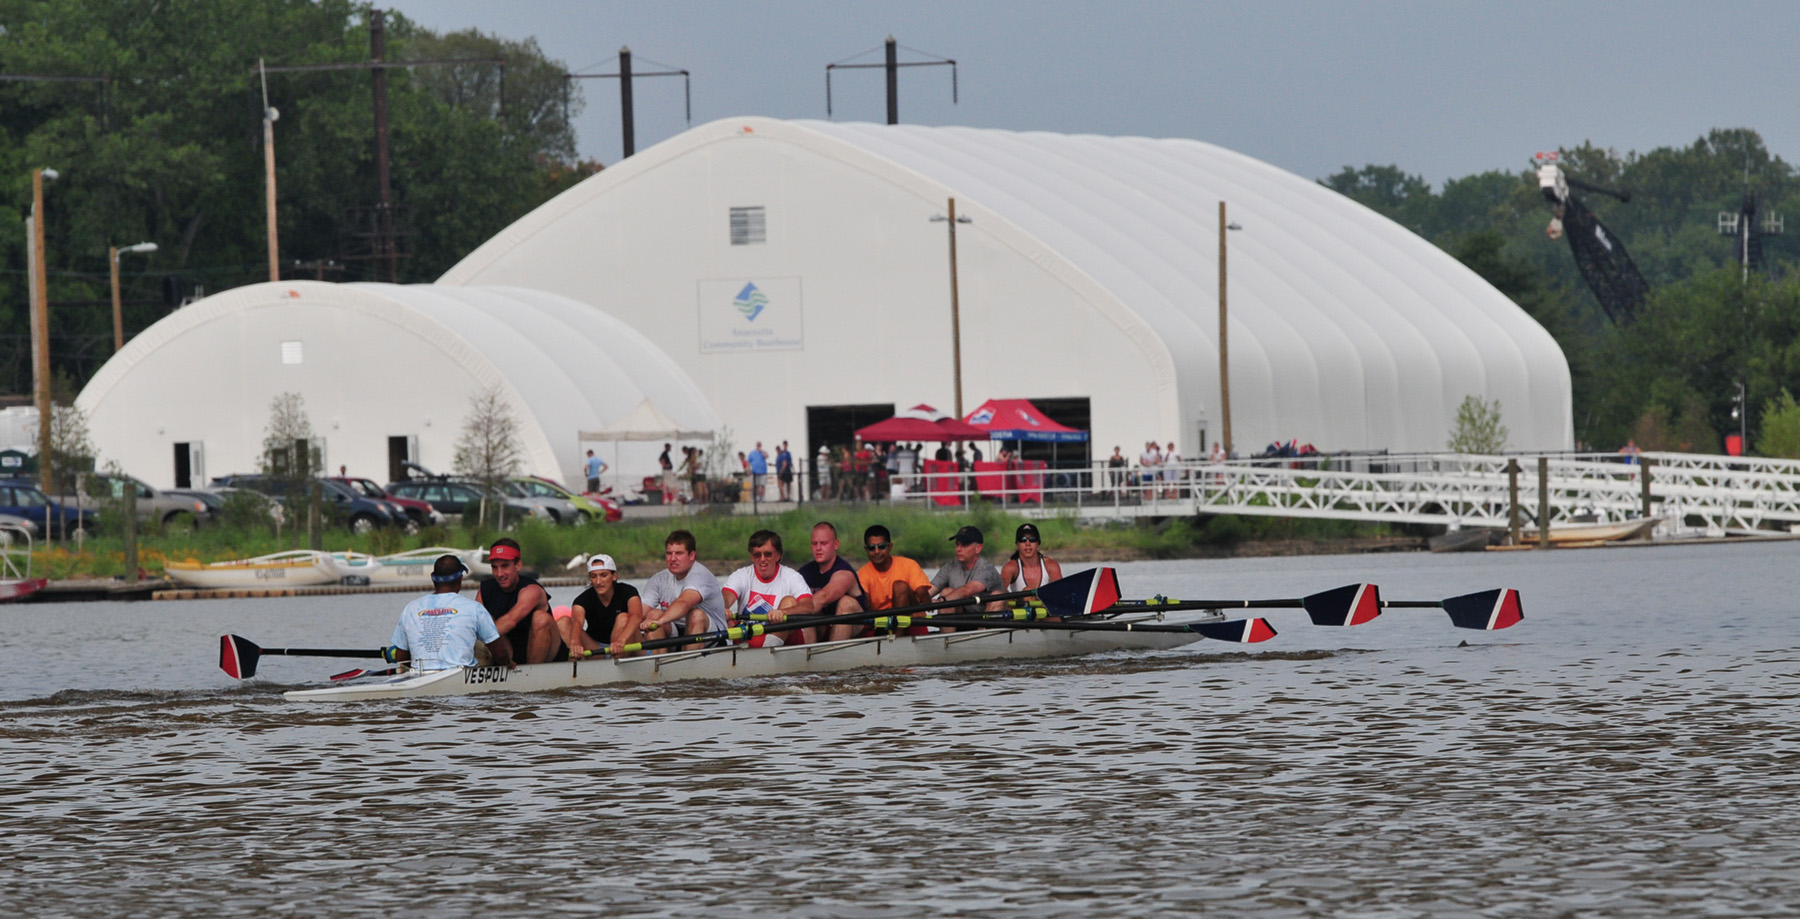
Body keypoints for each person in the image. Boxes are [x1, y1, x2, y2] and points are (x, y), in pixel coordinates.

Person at [387, 555, 510, 670]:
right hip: (459, 676)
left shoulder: (411, 608)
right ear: (460, 578)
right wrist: (508, 664)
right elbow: (500, 655)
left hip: (419, 676)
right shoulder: (474, 608)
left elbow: (401, 658)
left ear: (432, 578)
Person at [721, 530, 815, 647]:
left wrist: (783, 612)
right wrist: (723, 608)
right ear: (751, 556)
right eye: (757, 555)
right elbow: (725, 596)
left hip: (783, 644)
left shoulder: (792, 577)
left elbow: (808, 606)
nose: (762, 559)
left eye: (768, 554)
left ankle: (768, 648)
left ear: (778, 555)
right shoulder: (741, 575)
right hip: (748, 639)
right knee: (723, 618)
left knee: (789, 601)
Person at [478, 538, 564, 664]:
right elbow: (475, 623)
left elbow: (510, 621)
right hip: (510, 655)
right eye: (495, 568)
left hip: (547, 655)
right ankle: (506, 665)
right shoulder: (484, 589)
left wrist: (476, 642)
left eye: (505, 566)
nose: (499, 573)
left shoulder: (532, 590)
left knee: (540, 618)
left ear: (518, 565)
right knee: (484, 618)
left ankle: (532, 674)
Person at [639, 529, 729, 649]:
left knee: (696, 615)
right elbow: (640, 613)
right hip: (678, 634)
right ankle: (659, 664)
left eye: (679, 553)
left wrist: (660, 621)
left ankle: (689, 665)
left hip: (713, 637)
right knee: (653, 614)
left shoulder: (700, 575)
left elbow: (684, 603)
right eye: (669, 553)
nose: (672, 558)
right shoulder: (658, 579)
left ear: (692, 556)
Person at [795, 521, 869, 642]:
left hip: (855, 630)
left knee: (846, 603)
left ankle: (834, 654)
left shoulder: (845, 573)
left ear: (836, 544)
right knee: (805, 609)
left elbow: (824, 597)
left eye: (823, 543)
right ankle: (807, 655)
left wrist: (788, 612)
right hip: (824, 627)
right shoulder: (804, 572)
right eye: (814, 544)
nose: (818, 548)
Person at [560, 553, 644, 659]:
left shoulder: (629, 591)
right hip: (598, 650)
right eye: (594, 576)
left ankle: (616, 659)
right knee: (563, 622)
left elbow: (636, 616)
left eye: (603, 575)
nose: (598, 582)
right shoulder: (582, 600)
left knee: (623, 618)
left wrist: (621, 641)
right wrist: (575, 642)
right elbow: (577, 622)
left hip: (625, 643)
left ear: (614, 576)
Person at [858, 524, 935, 635]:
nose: (876, 551)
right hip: (880, 624)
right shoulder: (862, 574)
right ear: (866, 549)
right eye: (871, 547)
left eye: (881, 546)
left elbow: (923, 595)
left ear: (890, 546)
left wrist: (922, 606)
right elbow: (865, 607)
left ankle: (897, 637)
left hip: (910, 621)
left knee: (900, 586)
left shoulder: (908, 565)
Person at [929, 525, 1004, 632]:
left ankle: (980, 639)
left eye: (964, 545)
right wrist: (920, 600)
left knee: (998, 596)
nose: (958, 549)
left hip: (987, 621)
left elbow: (967, 590)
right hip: (964, 619)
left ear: (978, 548)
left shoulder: (986, 569)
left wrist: (941, 601)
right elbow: (930, 589)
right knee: (947, 591)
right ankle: (947, 641)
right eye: (957, 545)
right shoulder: (950, 567)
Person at [1000, 523, 1064, 592]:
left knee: (1028, 590)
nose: (1028, 544)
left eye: (1032, 539)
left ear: (1038, 544)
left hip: (1045, 602)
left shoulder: (1051, 566)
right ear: (1017, 545)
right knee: (1027, 590)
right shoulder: (1010, 568)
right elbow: (998, 590)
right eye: (1023, 539)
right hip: (1020, 601)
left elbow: (1061, 592)